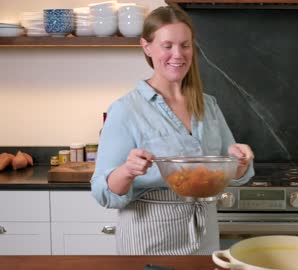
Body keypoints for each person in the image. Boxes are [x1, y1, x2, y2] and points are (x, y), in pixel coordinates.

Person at [90, 6, 254, 256]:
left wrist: (240, 161)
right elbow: (103, 191)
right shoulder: (126, 110)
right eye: (167, 45)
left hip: (204, 234)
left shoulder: (208, 105)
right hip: (150, 236)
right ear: (147, 47)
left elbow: (230, 170)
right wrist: (127, 170)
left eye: (185, 45)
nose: (178, 54)